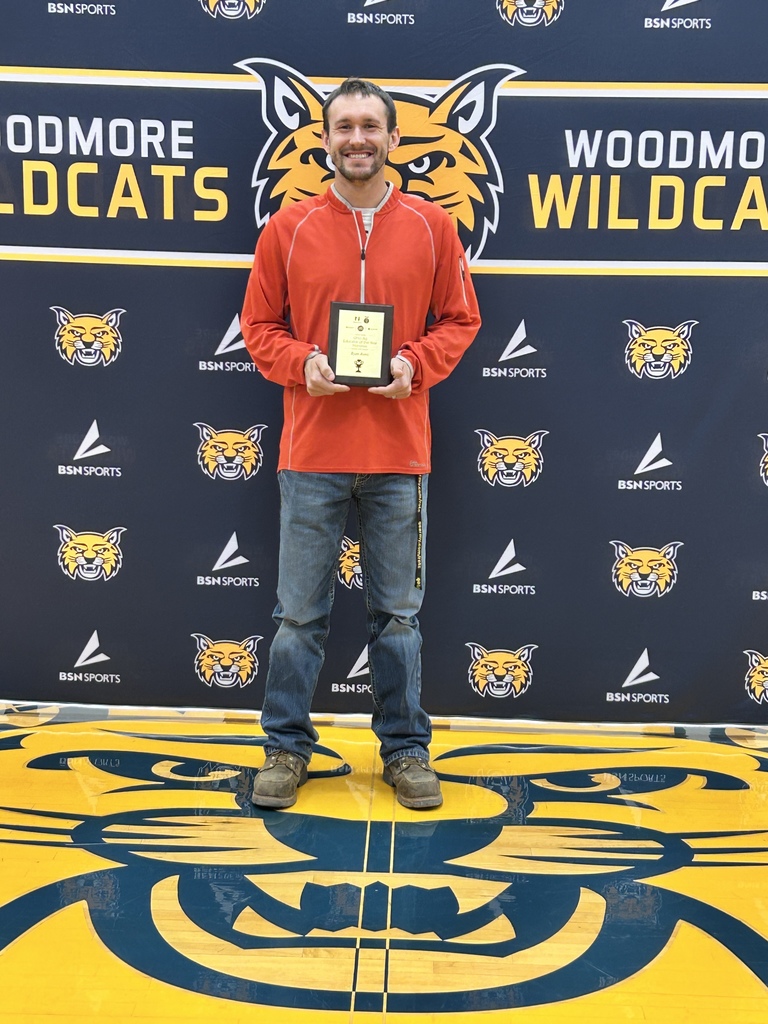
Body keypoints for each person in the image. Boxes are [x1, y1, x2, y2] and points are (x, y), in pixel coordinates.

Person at [240, 77, 481, 810]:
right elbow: (258, 330)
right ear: (323, 139)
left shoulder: (434, 227)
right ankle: (286, 748)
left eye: (370, 126)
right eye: (343, 126)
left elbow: (460, 322)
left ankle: (406, 751)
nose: (356, 139)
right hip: (310, 455)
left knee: (397, 620)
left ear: (392, 139)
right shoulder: (288, 229)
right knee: (298, 619)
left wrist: (414, 364)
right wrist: (300, 365)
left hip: (399, 459)